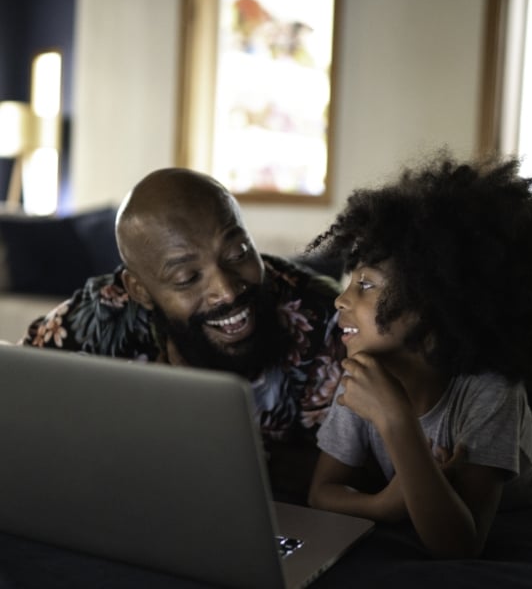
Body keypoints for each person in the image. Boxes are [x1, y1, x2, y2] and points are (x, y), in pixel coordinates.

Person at [21, 167, 344, 503]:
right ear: (140, 290)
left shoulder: (323, 315)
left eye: (238, 254)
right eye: (188, 277)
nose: (227, 290)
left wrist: (230, 454)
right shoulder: (103, 313)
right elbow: (17, 394)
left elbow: (367, 472)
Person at [306, 154, 532, 558]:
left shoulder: (490, 391)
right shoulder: (364, 376)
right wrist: (381, 505)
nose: (341, 299)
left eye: (366, 285)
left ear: (433, 303)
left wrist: (396, 420)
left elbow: (460, 545)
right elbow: (322, 492)